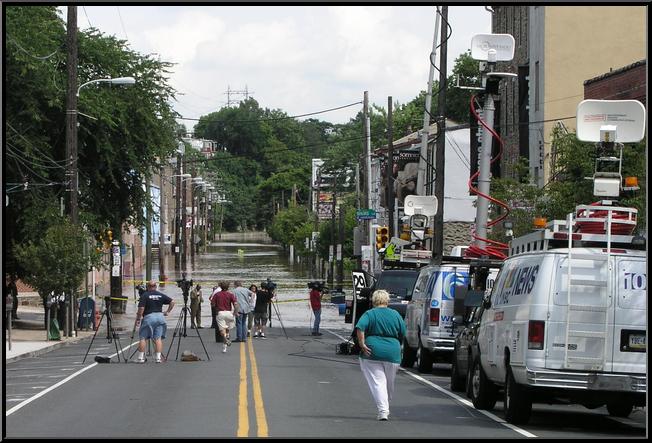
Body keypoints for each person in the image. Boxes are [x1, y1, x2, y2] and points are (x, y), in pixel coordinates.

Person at [355, 289, 406, 421]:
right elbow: (403, 332)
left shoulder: (369, 314)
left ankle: (383, 410)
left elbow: (360, 327)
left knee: (378, 382)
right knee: (389, 383)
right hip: (393, 353)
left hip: (373, 351)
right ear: (387, 300)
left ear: (374, 301)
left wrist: (362, 344)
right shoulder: (395, 314)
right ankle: (385, 406)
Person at [135, 280, 175, 363]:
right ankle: (158, 358)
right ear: (155, 287)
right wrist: (167, 311)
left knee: (143, 337)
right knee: (158, 338)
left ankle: (141, 358)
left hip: (149, 317)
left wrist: (138, 319)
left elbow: (141, 308)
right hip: (160, 317)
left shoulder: (145, 295)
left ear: (147, 287)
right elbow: (172, 301)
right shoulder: (160, 295)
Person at [214, 281, 238, 353]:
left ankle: (225, 339)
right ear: (228, 287)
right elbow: (236, 305)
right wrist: (235, 313)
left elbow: (212, 304)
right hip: (229, 313)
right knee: (227, 328)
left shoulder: (217, 294)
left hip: (220, 313)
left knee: (222, 331)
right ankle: (225, 347)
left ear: (220, 286)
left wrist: (216, 308)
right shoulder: (230, 294)